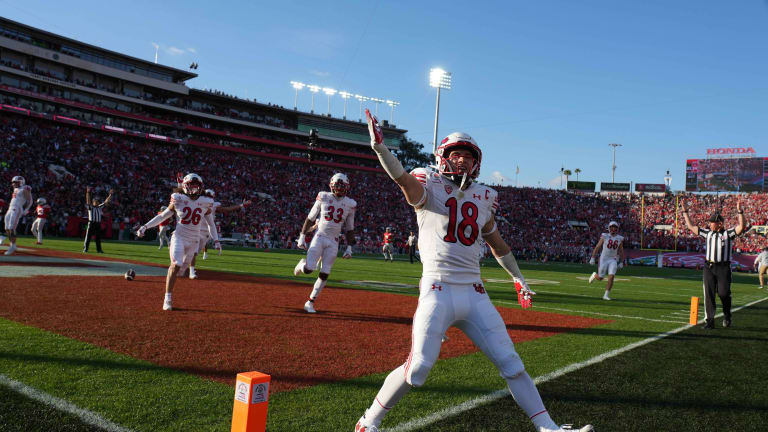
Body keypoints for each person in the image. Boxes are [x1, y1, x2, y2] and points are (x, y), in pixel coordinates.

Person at [355, 111, 593, 432]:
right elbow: (403, 181)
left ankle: (548, 427)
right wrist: (381, 149)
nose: (463, 161)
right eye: (457, 155)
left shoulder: (485, 196)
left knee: (512, 364)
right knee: (419, 369)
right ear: (442, 157)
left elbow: (498, 244)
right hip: (438, 289)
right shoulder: (429, 182)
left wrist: (518, 278)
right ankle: (368, 422)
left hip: (475, 293)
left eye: (469, 156)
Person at [135, 173, 221, 311]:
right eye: (190, 186)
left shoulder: (206, 201)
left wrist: (216, 240)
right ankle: (167, 299)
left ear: (201, 187)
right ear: (184, 186)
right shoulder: (178, 199)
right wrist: (145, 226)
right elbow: (162, 216)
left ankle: (178, 280)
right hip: (179, 237)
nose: (193, 189)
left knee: (180, 271)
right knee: (175, 265)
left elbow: (211, 223)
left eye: (196, 186)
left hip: (194, 240)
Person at [293, 173, 356, 314]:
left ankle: (310, 301)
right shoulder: (323, 196)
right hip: (320, 237)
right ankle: (301, 265)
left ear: (347, 187)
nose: (339, 189)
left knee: (325, 273)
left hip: (334, 241)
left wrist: (349, 247)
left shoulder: (350, 204)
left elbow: (349, 227)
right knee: (309, 269)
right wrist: (302, 237)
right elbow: (310, 218)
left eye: (342, 186)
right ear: (332, 186)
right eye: (337, 186)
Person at [681, 200, 746, 329]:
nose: (710, 224)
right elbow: (691, 227)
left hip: (723, 267)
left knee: (723, 293)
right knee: (709, 294)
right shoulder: (708, 233)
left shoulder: (728, 234)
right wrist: (685, 211)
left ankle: (727, 315)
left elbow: (741, 226)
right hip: (709, 267)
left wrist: (740, 211)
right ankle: (709, 321)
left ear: (719, 224)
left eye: (712, 222)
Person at [187, 189, 251, 279]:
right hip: (196, 229)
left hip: (207, 232)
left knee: (195, 253)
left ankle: (189, 267)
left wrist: (241, 205)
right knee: (193, 252)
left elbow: (227, 209)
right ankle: (191, 271)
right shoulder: (199, 202)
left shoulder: (213, 205)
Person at [588, 221, 625, 300]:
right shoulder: (605, 236)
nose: (613, 229)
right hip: (603, 259)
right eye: (612, 227)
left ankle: (606, 295)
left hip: (613, 259)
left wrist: (622, 261)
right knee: (600, 278)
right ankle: (595, 275)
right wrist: (593, 257)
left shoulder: (620, 238)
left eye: (615, 227)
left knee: (611, 277)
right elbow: (598, 246)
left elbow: (621, 250)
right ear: (609, 228)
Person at [4, 176, 33, 256]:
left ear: (21, 182)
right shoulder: (16, 189)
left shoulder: (25, 189)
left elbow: (30, 201)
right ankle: (12, 244)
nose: (13, 184)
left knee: (11, 228)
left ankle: (12, 246)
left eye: (15, 182)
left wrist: (26, 209)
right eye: (13, 182)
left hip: (17, 209)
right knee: (6, 228)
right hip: (10, 208)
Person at [83, 186, 114, 253]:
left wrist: (110, 195)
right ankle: (86, 248)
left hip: (97, 224)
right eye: (95, 201)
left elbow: (106, 202)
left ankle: (99, 250)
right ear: (93, 202)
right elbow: (88, 201)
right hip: (91, 223)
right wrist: (87, 193)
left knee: (98, 238)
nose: (97, 202)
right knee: (88, 236)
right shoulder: (90, 207)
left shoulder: (99, 207)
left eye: (97, 201)